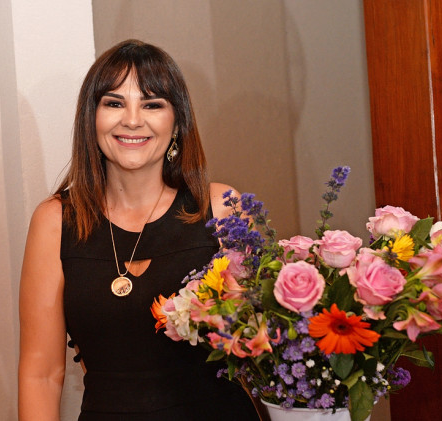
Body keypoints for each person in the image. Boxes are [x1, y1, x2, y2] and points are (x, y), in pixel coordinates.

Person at [18, 39, 261, 420]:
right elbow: (41, 375)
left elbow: (265, 350)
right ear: (91, 118)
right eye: (114, 103)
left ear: (177, 121)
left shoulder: (223, 208)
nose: (132, 120)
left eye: (152, 104)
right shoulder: (55, 221)